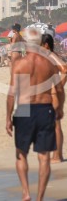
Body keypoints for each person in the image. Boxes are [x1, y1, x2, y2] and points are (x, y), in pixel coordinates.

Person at [6, 27, 65, 201]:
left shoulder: (20, 64)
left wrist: (7, 118)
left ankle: (25, 193)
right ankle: (39, 198)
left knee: (21, 153)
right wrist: (60, 108)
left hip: (24, 107)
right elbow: (60, 89)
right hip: (44, 107)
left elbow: (12, 93)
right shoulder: (48, 64)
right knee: (43, 156)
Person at [41, 33, 67, 163]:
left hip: (54, 94)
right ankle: (58, 155)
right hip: (52, 93)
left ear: (46, 45)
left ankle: (57, 156)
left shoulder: (51, 55)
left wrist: (58, 87)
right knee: (54, 124)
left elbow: (65, 69)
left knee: (55, 125)